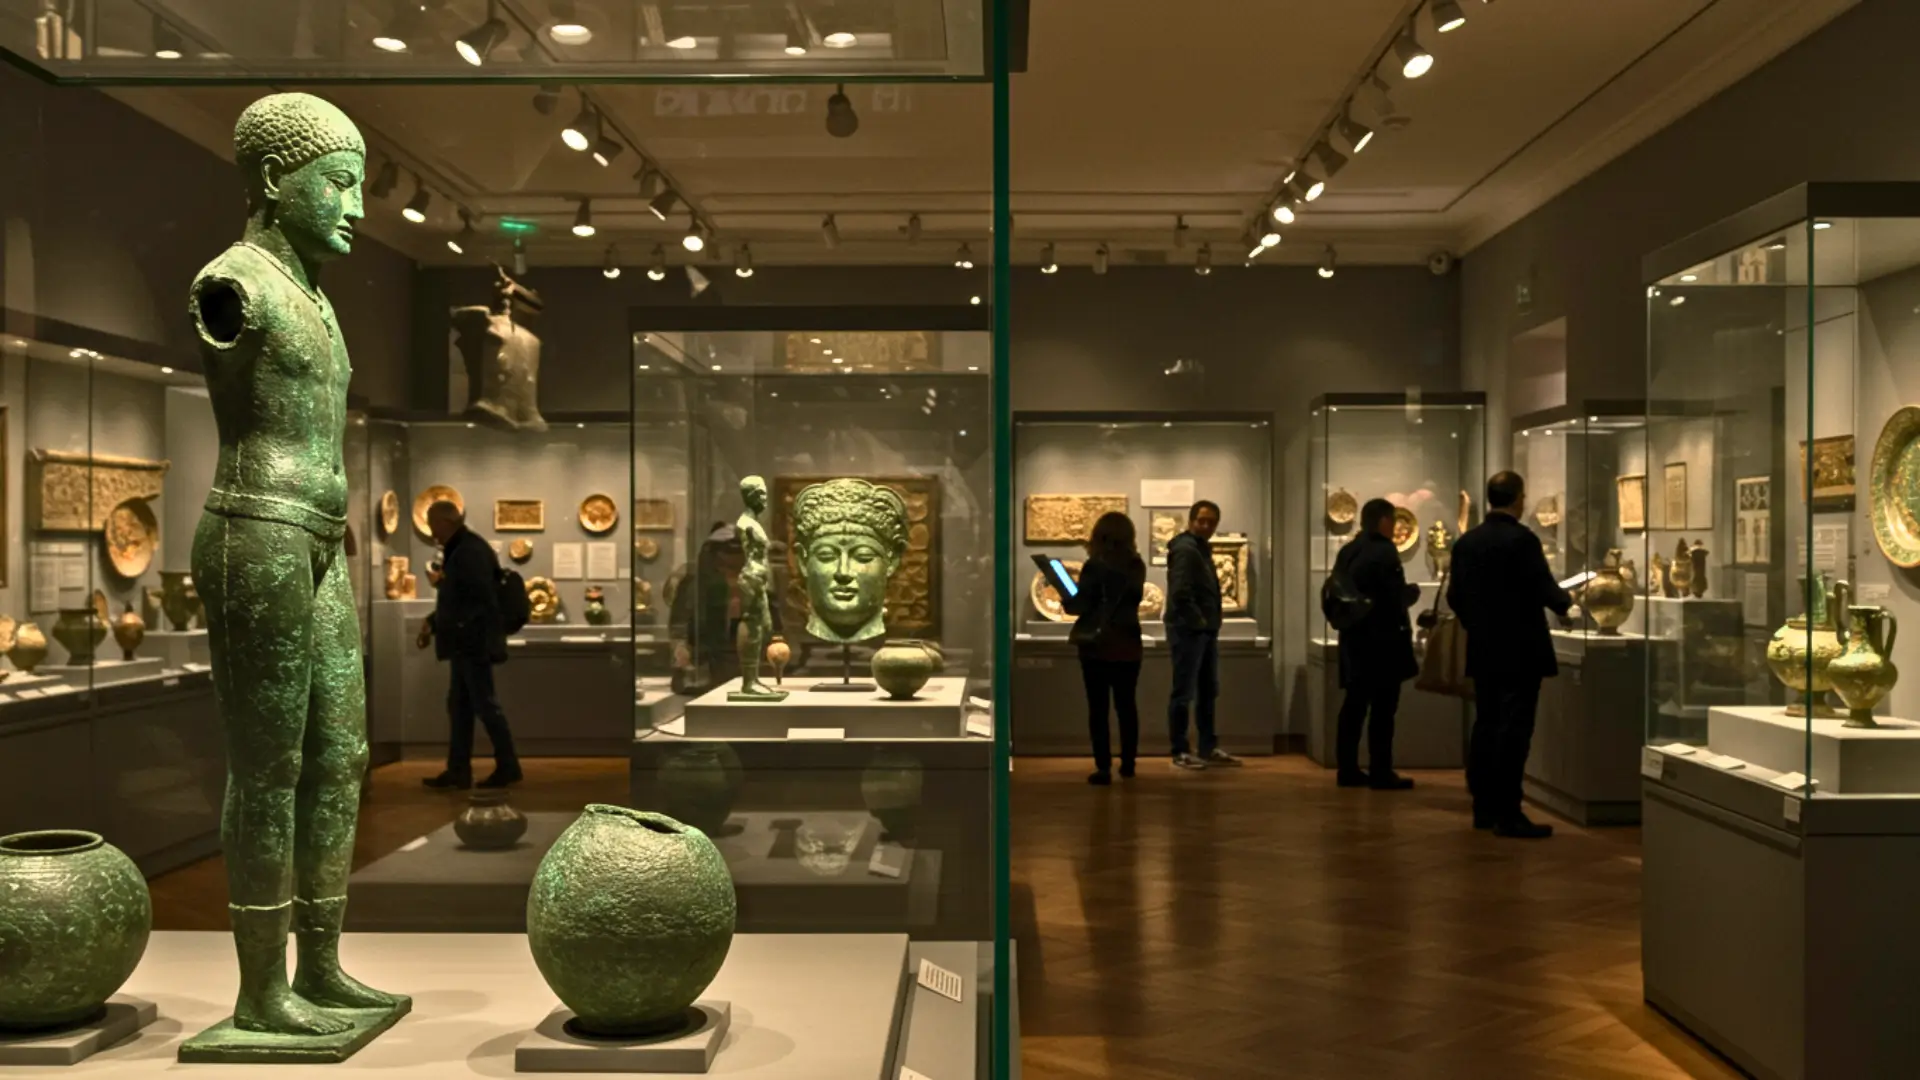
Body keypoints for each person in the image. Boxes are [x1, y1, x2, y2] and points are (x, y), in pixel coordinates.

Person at [1447, 471, 1573, 839]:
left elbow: (1456, 597)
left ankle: (1483, 807)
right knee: (1514, 730)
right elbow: (1544, 587)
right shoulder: (1522, 540)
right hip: (1521, 648)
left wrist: (1478, 624)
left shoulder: (1468, 542)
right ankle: (1509, 811)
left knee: (1486, 724)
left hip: (1484, 647)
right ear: (1518, 498)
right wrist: (1565, 602)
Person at [419, 500, 520, 790]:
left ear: (446, 522)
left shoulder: (468, 551)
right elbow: (463, 597)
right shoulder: (465, 549)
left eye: (433, 524)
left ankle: (507, 766)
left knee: (483, 705)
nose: (432, 532)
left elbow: (477, 599)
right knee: (461, 706)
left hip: (472, 644)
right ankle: (460, 769)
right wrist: (435, 622)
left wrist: (446, 621)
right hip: (468, 643)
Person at [1332, 498, 1422, 790]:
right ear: (1384, 521)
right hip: (1382, 642)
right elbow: (1392, 597)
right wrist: (1411, 594)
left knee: (1354, 706)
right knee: (1383, 710)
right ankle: (1381, 770)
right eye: (1393, 521)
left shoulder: (1349, 550)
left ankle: (1347, 769)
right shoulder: (1384, 551)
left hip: (1354, 639)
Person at [1061, 511, 1146, 785]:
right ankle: (1129, 764)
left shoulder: (1094, 566)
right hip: (1129, 643)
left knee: (1098, 708)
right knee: (1127, 706)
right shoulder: (1136, 565)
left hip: (1096, 646)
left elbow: (1079, 606)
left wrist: (1066, 595)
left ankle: (1103, 767)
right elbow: (1133, 600)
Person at [1165, 499, 1241, 770]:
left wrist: (1206, 624)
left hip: (1202, 630)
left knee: (1207, 690)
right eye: (1202, 521)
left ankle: (1207, 747)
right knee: (1184, 692)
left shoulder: (1198, 548)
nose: (1206, 526)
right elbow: (1180, 593)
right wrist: (1198, 621)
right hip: (1189, 631)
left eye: (1211, 522)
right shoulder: (1186, 550)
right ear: (1191, 521)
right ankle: (1181, 750)